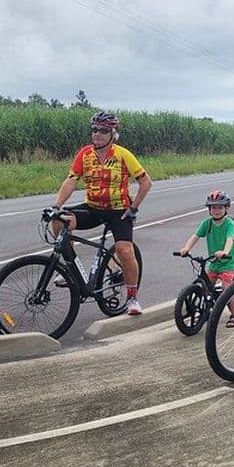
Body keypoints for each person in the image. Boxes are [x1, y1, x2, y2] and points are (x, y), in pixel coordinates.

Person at [50, 110, 152, 315]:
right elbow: (71, 180)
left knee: (124, 251)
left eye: (103, 130)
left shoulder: (123, 154)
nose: (97, 134)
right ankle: (71, 268)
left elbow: (145, 182)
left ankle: (132, 297)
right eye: (94, 129)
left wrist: (134, 208)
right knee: (59, 221)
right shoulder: (85, 154)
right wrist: (56, 206)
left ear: (112, 133)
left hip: (119, 211)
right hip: (94, 207)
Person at [177, 190, 234, 326]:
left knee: (226, 289)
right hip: (213, 263)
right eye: (213, 207)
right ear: (209, 209)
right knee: (205, 287)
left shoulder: (229, 224)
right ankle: (207, 310)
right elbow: (195, 236)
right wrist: (186, 248)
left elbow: (230, 239)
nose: (216, 210)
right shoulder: (207, 223)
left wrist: (224, 251)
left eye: (219, 207)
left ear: (227, 208)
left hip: (227, 262)